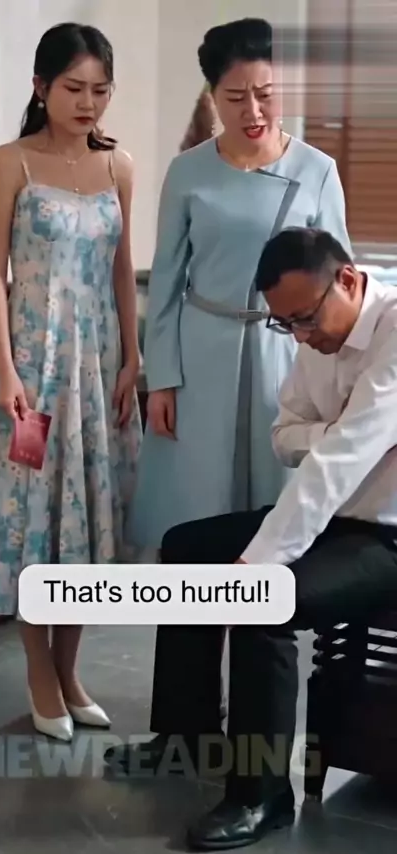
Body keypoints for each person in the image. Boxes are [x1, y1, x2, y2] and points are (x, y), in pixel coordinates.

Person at [106, 227, 397, 849]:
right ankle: (186, 735)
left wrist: (260, 560)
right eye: (284, 324)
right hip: (331, 516)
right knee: (186, 547)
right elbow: (287, 436)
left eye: (305, 319)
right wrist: (340, 433)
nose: (300, 337)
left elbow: (338, 463)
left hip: (386, 536)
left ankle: (260, 797)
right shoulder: (314, 331)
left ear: (348, 280)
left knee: (261, 600)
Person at [124, 15, 353, 746]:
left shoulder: (317, 170)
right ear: (212, 96)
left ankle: (260, 727)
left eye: (266, 93)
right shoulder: (188, 171)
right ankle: (183, 726)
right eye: (235, 97)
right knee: (189, 540)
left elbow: (341, 290)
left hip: (286, 367)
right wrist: (163, 379)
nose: (253, 111)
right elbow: (166, 280)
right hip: (200, 362)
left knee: (267, 537)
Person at [0, 22, 142, 742]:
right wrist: (6, 366)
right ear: (41, 87)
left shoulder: (119, 165)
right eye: (74, 88)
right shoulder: (11, 163)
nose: (88, 102)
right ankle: (40, 672)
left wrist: (132, 358)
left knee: (88, 520)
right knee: (34, 517)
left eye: (101, 90)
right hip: (33, 370)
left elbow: (123, 271)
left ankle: (71, 671)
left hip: (98, 369)